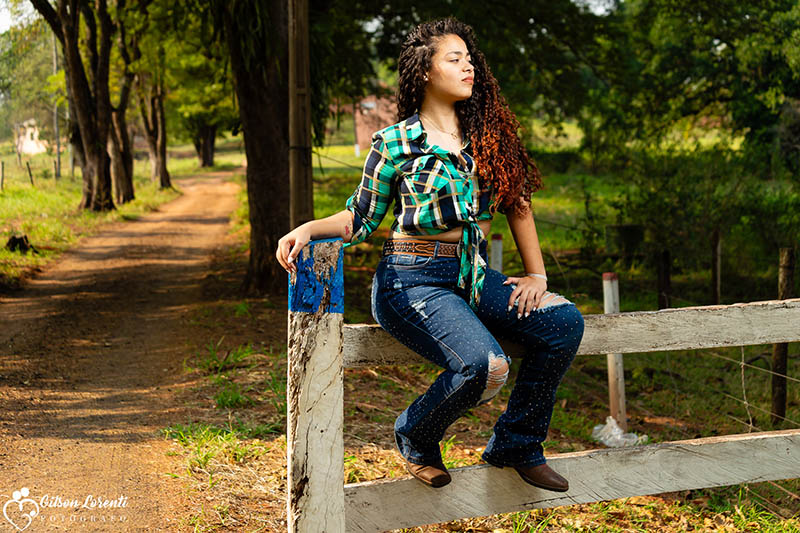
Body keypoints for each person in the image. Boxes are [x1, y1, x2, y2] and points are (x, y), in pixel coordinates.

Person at [276, 17, 584, 492]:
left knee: (563, 322)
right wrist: (307, 228)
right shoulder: (395, 141)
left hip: (473, 276)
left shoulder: (486, 136)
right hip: (410, 279)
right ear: (425, 71)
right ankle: (416, 435)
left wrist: (536, 275)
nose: (469, 68)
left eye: (470, 60)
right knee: (486, 367)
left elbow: (518, 203)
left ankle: (517, 444)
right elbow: (359, 218)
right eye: (454, 59)